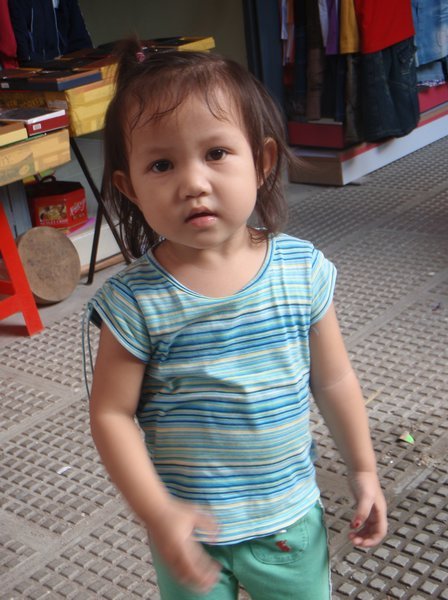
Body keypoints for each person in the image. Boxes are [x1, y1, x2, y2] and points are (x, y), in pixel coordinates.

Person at [87, 37, 387, 600]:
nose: (193, 182)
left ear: (263, 161)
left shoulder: (301, 270)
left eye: (216, 153)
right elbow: (110, 415)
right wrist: (159, 512)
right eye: (161, 163)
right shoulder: (134, 301)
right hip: (189, 530)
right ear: (129, 188)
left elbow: (334, 379)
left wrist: (363, 469)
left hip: (288, 521)